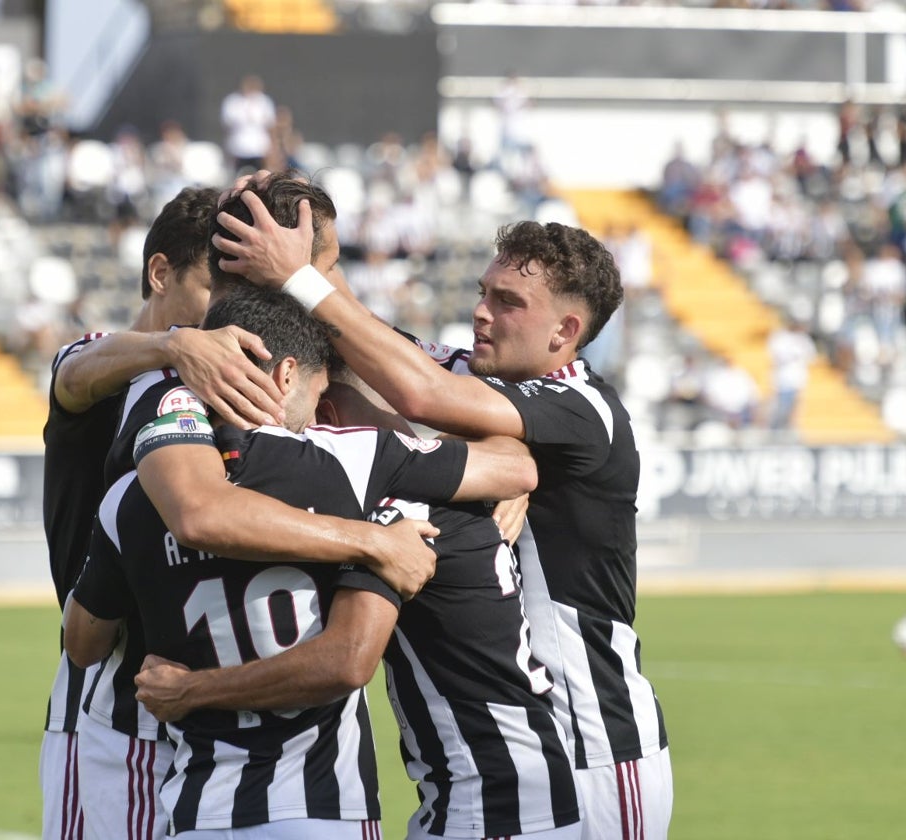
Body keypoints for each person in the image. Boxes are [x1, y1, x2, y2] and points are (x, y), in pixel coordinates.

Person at [215, 203, 673, 840]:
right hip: (520, 740)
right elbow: (372, 343)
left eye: (509, 301)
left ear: (564, 332)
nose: (483, 310)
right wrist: (314, 253)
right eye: (484, 292)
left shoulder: (583, 406)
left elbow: (420, 394)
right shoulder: (491, 382)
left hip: (593, 742)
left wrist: (301, 278)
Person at [66, 285, 539, 838]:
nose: (321, 413)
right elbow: (513, 468)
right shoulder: (352, 459)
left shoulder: (130, 494)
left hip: (196, 808)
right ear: (286, 375)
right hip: (323, 808)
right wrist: (374, 534)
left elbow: (84, 642)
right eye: (319, 394)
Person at [63, 177, 442, 839]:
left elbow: (431, 395)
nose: (229, 322)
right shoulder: (140, 380)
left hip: (187, 755)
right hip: (128, 720)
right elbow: (198, 512)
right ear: (161, 275)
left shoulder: (140, 481)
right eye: (220, 293)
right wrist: (373, 539)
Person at [134, 370, 582, 840]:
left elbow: (345, 660)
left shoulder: (402, 508)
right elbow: (513, 461)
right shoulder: (438, 488)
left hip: (493, 799)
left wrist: (192, 691)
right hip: (505, 789)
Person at [766, 319, 816, 432]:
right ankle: (775, 432)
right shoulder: (780, 337)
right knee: (780, 409)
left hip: (797, 380)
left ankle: (789, 432)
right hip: (782, 381)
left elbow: (811, 355)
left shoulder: (803, 338)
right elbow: (777, 356)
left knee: (794, 411)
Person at [220, 75, 276, 173]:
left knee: (260, 173)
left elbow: (270, 123)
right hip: (238, 146)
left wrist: (272, 146)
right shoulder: (233, 101)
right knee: (238, 173)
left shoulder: (264, 101)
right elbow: (227, 122)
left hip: (259, 146)